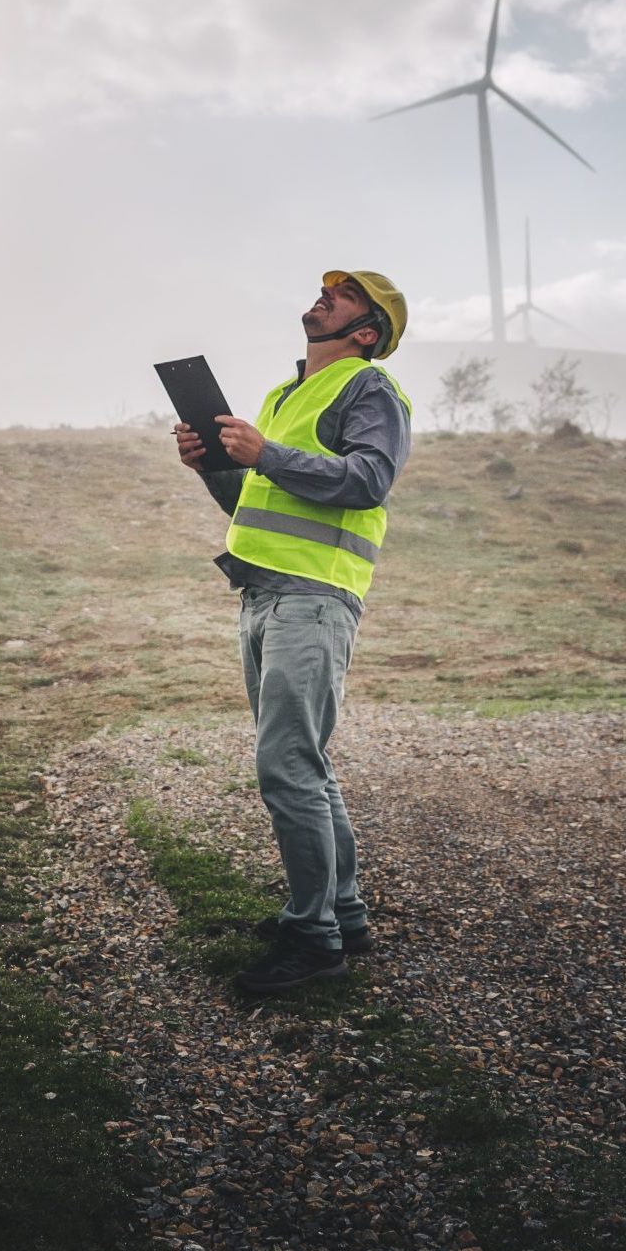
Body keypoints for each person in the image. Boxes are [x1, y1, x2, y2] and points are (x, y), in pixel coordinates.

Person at [174, 270, 411, 993]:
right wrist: (213, 466)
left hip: (313, 596)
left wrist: (264, 453)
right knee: (304, 762)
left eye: (339, 296)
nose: (320, 297)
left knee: (286, 767)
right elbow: (257, 496)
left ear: (364, 331)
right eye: (323, 289)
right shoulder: (282, 397)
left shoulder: (368, 389)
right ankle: (342, 912)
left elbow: (367, 478)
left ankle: (315, 943)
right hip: (263, 590)